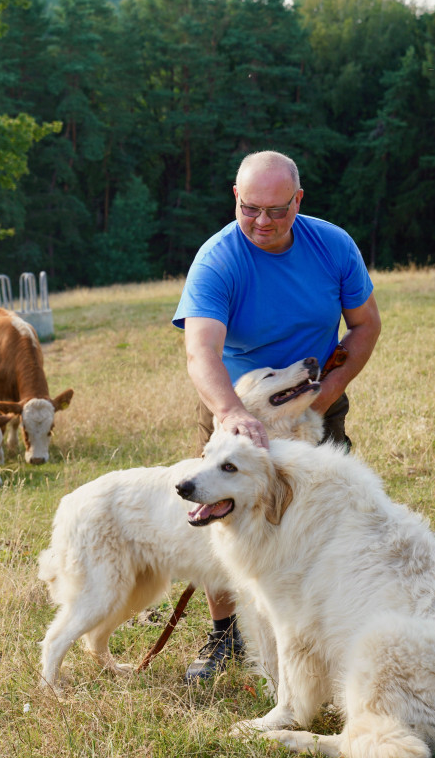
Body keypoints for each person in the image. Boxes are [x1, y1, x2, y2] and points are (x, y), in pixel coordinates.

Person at [171, 150, 381, 683]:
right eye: (250, 208)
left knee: (329, 516)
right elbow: (201, 352)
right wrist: (230, 413)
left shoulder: (333, 246)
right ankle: (228, 636)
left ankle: (333, 627)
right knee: (224, 517)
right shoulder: (218, 259)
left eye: (276, 209)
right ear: (234, 199)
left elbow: (365, 326)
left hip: (314, 401)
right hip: (236, 401)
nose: (262, 222)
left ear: (299, 201)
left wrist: (328, 393)